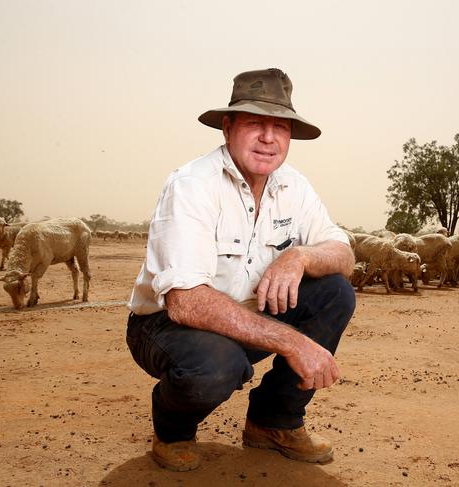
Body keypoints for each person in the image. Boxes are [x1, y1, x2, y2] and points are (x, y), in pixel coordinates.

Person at [126, 68, 356, 471]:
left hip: (249, 316)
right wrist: (294, 343)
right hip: (168, 328)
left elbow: (343, 253)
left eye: (280, 127)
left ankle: (274, 422)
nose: (269, 138)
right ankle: (173, 428)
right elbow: (185, 303)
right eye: (255, 123)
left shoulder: (293, 186)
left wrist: (299, 256)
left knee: (335, 291)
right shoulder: (192, 185)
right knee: (218, 365)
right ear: (228, 128)